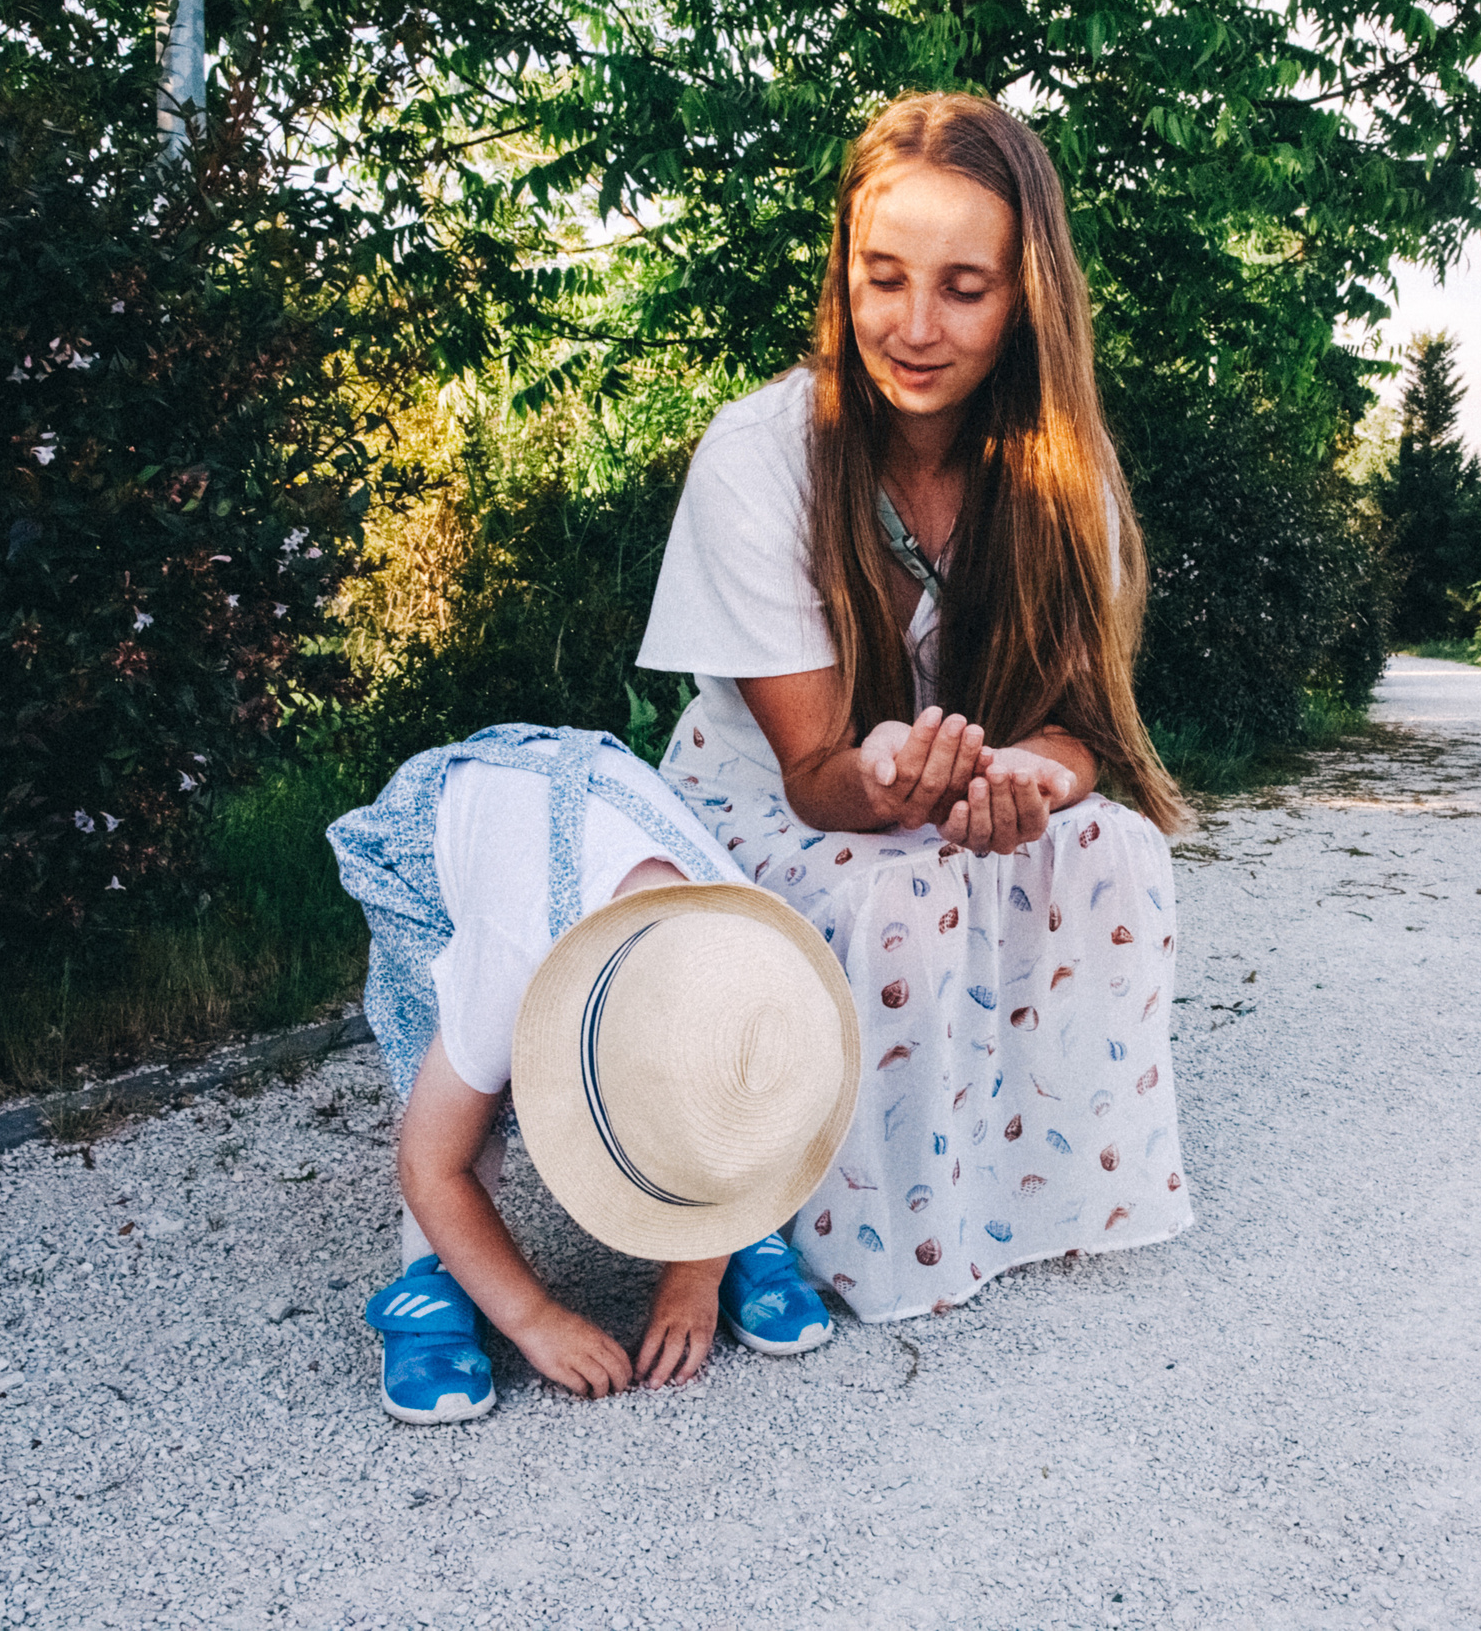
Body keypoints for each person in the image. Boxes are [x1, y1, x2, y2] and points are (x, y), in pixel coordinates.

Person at [636, 92, 1194, 1325]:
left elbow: (1082, 732)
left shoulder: (1061, 474)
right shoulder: (760, 455)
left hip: (951, 791)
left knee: (1119, 851)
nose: (915, 328)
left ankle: (1022, 1184)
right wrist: (896, 780)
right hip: (768, 812)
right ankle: (859, 1221)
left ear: (1026, 299)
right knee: (899, 888)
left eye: (964, 287)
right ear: (842, 274)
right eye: (882, 278)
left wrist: (1029, 782)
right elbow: (815, 777)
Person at [327, 725, 860, 1421]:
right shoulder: (511, 958)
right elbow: (431, 1165)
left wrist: (697, 1272)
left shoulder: (750, 948)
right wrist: (533, 1317)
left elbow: (742, 1088)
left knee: (738, 1077)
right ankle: (434, 1278)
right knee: (463, 1092)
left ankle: (717, 1221)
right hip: (441, 833)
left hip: (592, 801)